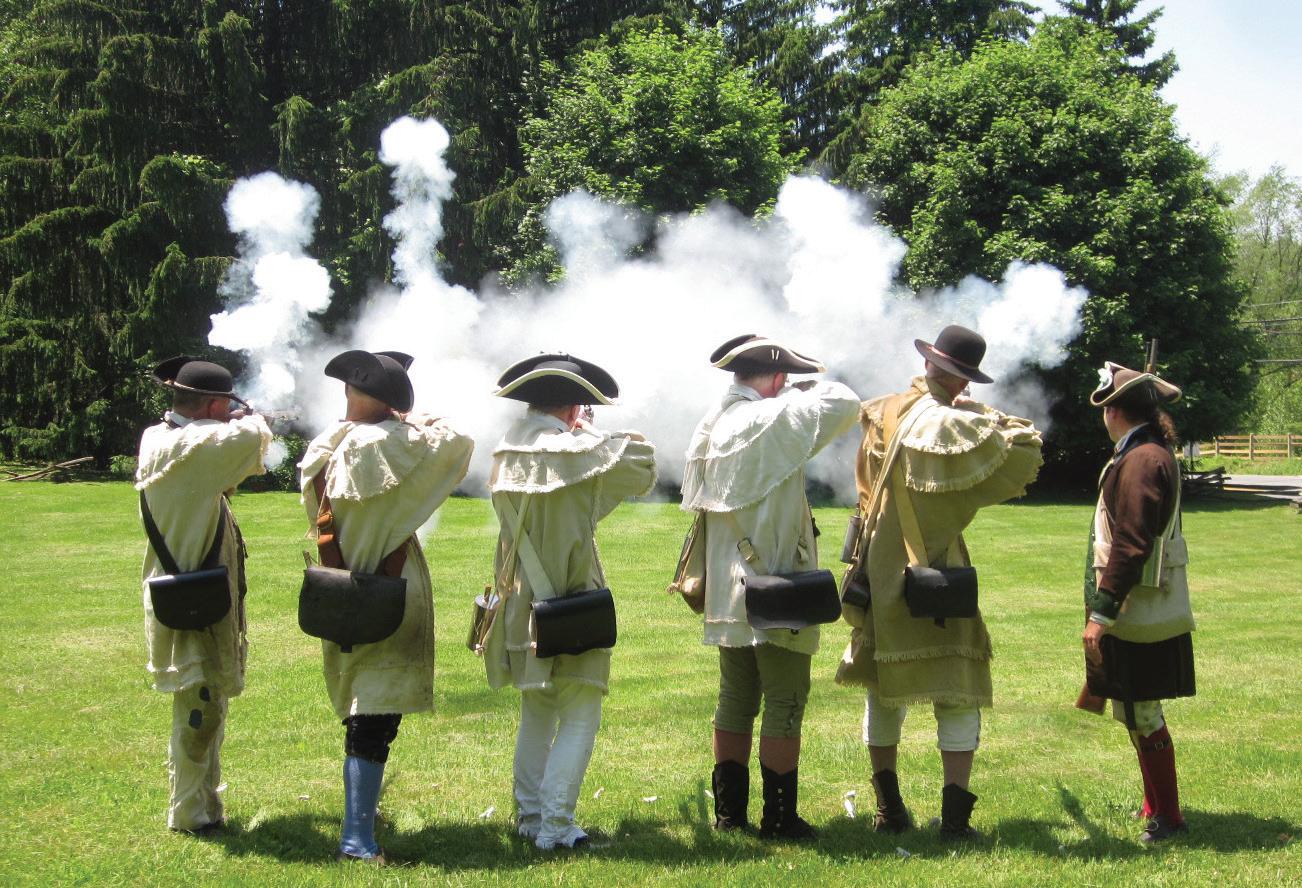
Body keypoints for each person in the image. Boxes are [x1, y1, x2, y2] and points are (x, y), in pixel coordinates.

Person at [835, 325, 1042, 839]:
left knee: (883, 693)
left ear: (929, 363)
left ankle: (889, 812)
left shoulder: (882, 413)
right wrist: (981, 410)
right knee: (958, 696)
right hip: (940, 573)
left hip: (881, 571)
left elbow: (863, 489)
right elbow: (1024, 444)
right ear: (964, 378)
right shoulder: (960, 426)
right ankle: (954, 822)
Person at [298, 350, 473, 864]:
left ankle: (361, 828)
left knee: (364, 710)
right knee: (373, 717)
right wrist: (416, 421)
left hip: (340, 585)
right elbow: (459, 442)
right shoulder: (390, 444)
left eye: (351, 389)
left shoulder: (328, 444)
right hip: (386, 589)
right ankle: (357, 841)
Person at [682, 334, 860, 839]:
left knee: (735, 699)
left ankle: (729, 815)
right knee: (785, 702)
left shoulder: (712, 423)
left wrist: (787, 393)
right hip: (776, 580)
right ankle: (779, 819)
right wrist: (801, 392)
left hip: (727, 587)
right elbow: (846, 401)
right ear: (779, 377)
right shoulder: (776, 416)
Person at [480, 353, 656, 851]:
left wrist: (580, 432)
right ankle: (556, 826)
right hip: (573, 599)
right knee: (580, 714)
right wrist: (588, 432)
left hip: (522, 602)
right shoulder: (582, 452)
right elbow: (642, 462)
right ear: (575, 406)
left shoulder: (504, 451)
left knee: (537, 712)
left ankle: (531, 818)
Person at [136, 355, 272, 834]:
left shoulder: (160, 437)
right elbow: (253, 439)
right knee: (199, 707)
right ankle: (190, 814)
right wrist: (251, 416)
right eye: (224, 406)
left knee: (205, 703)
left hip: (183, 587)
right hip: (194, 593)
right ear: (215, 406)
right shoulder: (190, 445)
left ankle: (204, 806)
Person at [1081, 361, 1194, 844]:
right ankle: (1154, 804)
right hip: (1137, 603)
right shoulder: (1143, 452)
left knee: (1144, 712)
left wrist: (1102, 612)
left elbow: (1131, 543)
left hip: (1136, 607)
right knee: (1134, 709)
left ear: (1114, 411)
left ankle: (1169, 817)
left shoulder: (1143, 459)